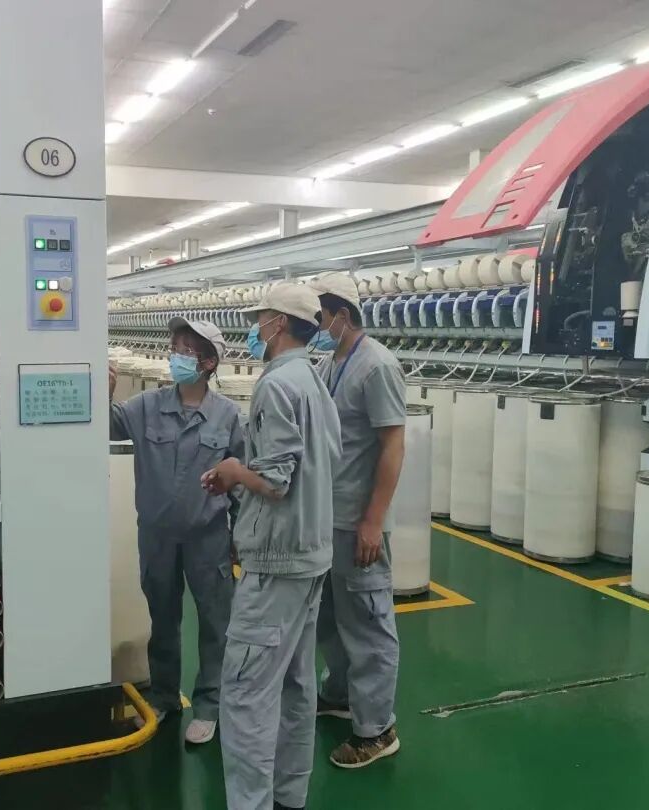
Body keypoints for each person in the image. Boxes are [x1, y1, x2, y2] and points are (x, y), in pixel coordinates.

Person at [201, 283, 341, 810]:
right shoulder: (315, 380)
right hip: (310, 554)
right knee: (295, 686)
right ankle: (288, 797)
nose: (254, 328)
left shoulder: (278, 384)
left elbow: (276, 480)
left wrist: (235, 471)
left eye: (259, 319)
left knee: (245, 692)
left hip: (278, 561)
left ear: (279, 323)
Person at [109, 319, 245, 745]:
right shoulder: (146, 406)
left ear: (208, 362)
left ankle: (210, 705)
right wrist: (102, 394)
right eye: (174, 348)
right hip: (157, 535)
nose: (175, 357)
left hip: (208, 537)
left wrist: (240, 536)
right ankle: (165, 696)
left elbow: (240, 480)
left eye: (185, 350)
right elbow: (107, 426)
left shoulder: (228, 416)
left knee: (215, 622)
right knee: (163, 618)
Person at [308, 272, 406, 769]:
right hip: (329, 519)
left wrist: (373, 520)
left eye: (320, 318)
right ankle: (341, 694)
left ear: (342, 316)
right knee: (331, 618)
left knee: (368, 623)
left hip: (357, 522)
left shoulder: (377, 366)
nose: (316, 327)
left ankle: (377, 730)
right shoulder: (329, 363)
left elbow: (393, 445)